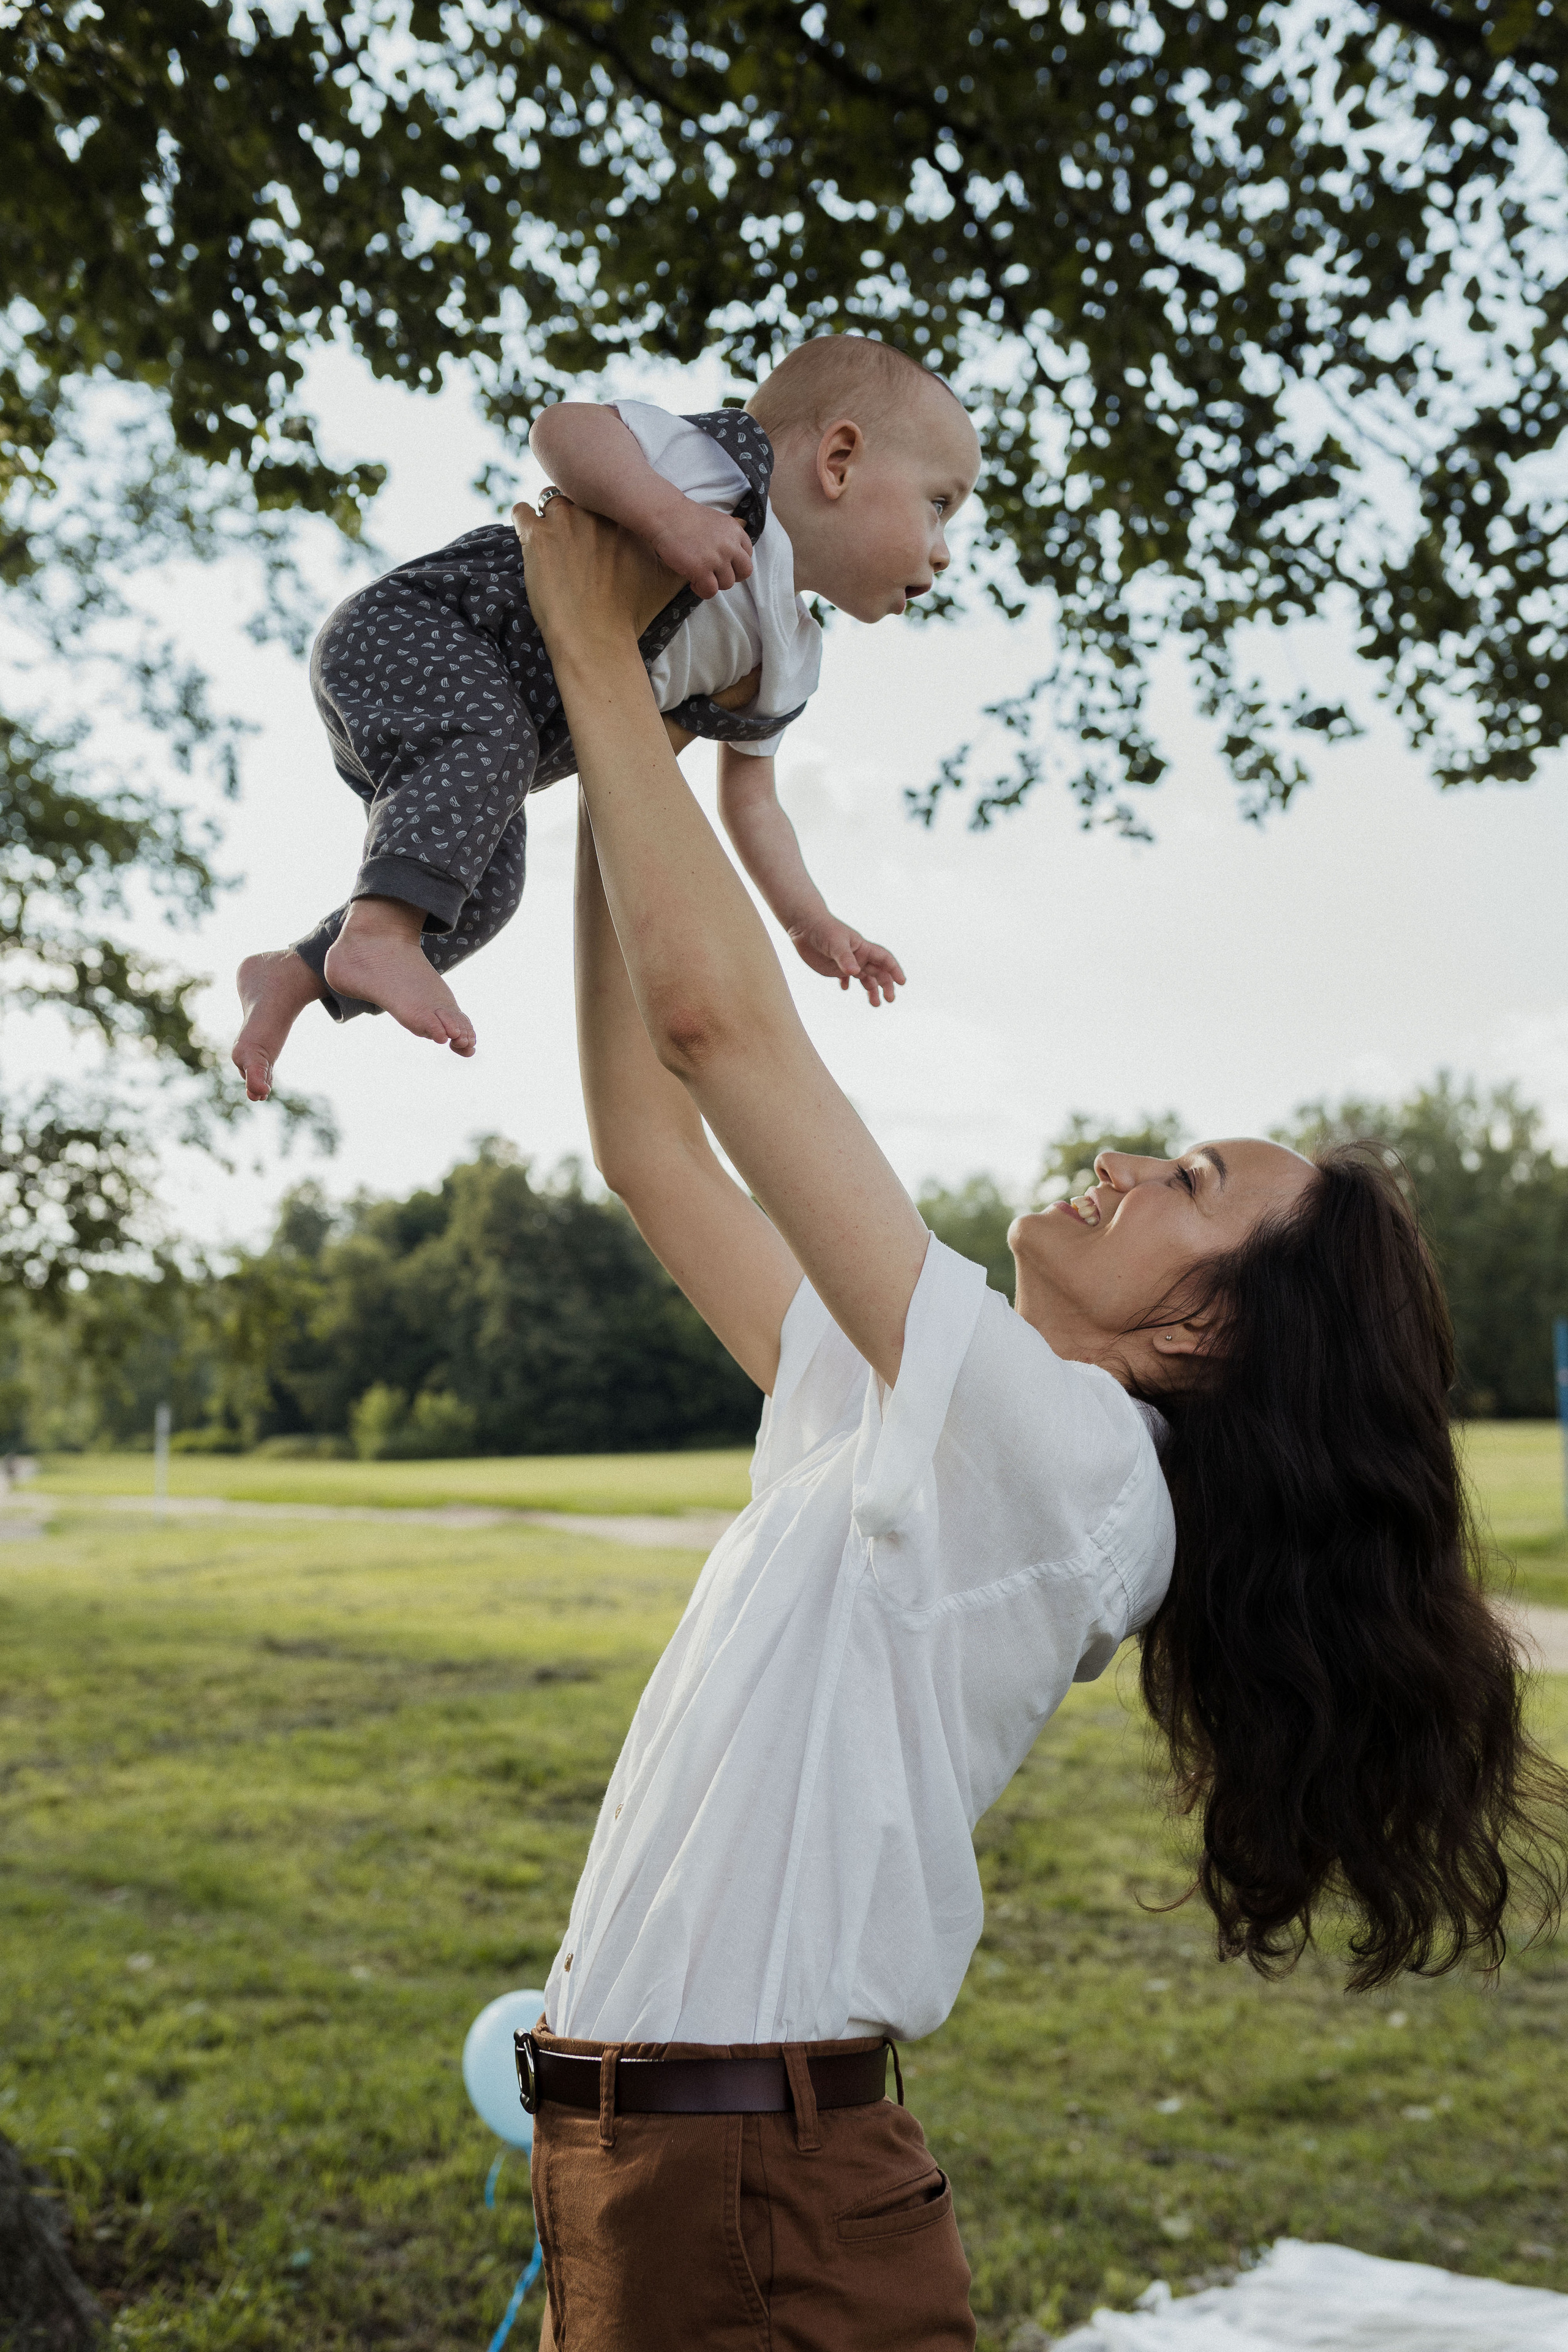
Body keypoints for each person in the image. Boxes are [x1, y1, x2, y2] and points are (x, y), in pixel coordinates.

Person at [510, 499, 1568, 2352]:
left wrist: (599, 655)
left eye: (1188, 1182)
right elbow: (649, 1144)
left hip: (756, 2204)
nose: (1126, 1158)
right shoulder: (936, 1414)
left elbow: (717, 1028)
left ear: (1208, 1331)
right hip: (656, 2177)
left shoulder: (1073, 1472)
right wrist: (642, 744)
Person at [230, 336, 981, 1101]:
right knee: (492, 744)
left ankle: (294, 974)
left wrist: (807, 919)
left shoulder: (788, 655)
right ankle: (377, 935)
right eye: (939, 506)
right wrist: (664, 514)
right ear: (839, 460)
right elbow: (562, 428)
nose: (945, 553)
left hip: (468, 755)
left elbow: (752, 800)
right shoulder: (721, 471)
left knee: (487, 893)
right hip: (422, 631)